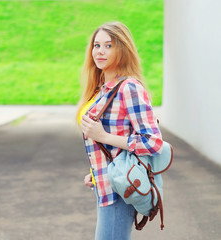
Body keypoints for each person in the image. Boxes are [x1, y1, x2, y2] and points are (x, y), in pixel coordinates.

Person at [76, 21, 163, 240]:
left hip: (120, 191)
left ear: (122, 49)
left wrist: (103, 136)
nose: (100, 51)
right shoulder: (102, 90)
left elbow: (153, 142)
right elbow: (112, 148)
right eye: (97, 45)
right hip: (106, 187)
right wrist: (96, 173)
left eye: (109, 46)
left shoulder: (129, 88)